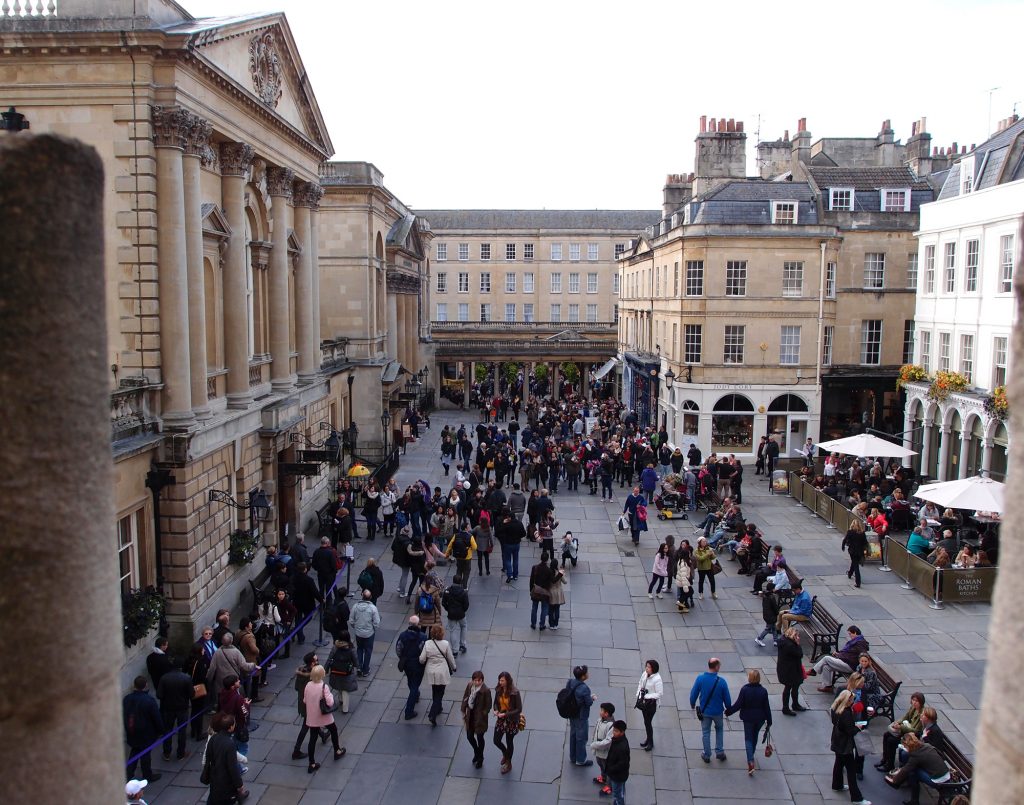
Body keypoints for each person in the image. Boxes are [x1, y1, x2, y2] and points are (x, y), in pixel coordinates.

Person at [725, 669, 772, 776]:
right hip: (760, 719)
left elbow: (738, 704)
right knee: (755, 736)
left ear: (750, 678)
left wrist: (729, 711)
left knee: (748, 738)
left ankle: (750, 761)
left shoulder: (745, 690)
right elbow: (767, 707)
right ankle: (751, 754)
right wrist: (769, 721)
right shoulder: (763, 691)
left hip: (748, 718)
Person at [885, 732, 950, 805]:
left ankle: (914, 801)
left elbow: (906, 769)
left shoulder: (916, 756)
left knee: (913, 772)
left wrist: (894, 780)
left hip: (938, 781)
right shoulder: (926, 745)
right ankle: (910, 790)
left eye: (905, 746)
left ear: (909, 746)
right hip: (946, 774)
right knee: (913, 768)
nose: (905, 748)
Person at [302, 664, 346, 772]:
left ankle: (311, 764)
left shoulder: (308, 685)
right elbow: (330, 702)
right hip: (323, 715)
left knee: (312, 739)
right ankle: (337, 751)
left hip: (312, 716)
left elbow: (305, 700)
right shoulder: (323, 687)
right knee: (333, 730)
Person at [831, 690, 871, 805]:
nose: (853, 702)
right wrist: (857, 727)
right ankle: (856, 798)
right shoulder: (846, 713)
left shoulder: (835, 708)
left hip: (837, 740)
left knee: (838, 764)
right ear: (847, 701)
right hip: (845, 745)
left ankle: (837, 785)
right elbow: (850, 731)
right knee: (851, 771)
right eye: (852, 700)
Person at [689, 657, 732, 763]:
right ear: (716, 667)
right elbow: (727, 700)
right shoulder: (722, 682)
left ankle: (707, 754)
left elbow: (693, 693)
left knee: (706, 732)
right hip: (718, 712)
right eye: (719, 665)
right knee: (719, 729)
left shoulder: (700, 679)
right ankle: (719, 751)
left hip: (705, 712)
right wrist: (728, 708)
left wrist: (692, 703)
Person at [123, 676, 164, 783]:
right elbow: (156, 717)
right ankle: (147, 775)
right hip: (146, 732)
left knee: (135, 750)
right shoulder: (149, 701)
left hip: (132, 730)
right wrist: (161, 730)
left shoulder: (127, 699)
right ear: (146, 685)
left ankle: (128, 773)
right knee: (145, 754)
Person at [202, 713, 248, 804]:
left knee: (213, 798)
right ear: (230, 728)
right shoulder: (229, 744)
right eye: (234, 724)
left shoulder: (213, 738)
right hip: (226, 782)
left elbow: (207, 758)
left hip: (214, 778)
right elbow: (233, 768)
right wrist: (239, 785)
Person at [876, 692, 926, 772]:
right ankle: (885, 759)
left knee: (891, 741)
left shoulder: (922, 714)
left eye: (917, 701)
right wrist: (897, 723)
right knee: (886, 735)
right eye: (913, 700)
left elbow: (917, 731)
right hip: (905, 731)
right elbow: (905, 717)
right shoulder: (913, 708)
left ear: (921, 702)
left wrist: (901, 727)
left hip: (911, 737)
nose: (914, 702)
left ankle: (890, 765)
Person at [810, 626, 870, 691]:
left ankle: (813, 671)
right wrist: (838, 654)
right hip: (845, 661)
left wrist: (862, 666)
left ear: (855, 633)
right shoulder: (856, 641)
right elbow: (849, 653)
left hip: (850, 665)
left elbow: (863, 654)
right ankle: (828, 686)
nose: (849, 636)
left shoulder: (860, 643)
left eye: (850, 634)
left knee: (826, 658)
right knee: (826, 667)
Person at [420, 624, 457, 727]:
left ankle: (438, 707)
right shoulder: (445, 644)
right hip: (442, 671)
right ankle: (432, 713)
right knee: (440, 692)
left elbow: (422, 659)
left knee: (435, 689)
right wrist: (454, 667)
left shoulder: (427, 643)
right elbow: (450, 658)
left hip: (431, 671)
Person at [156, 662, 193, 762]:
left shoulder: (164, 678)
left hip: (168, 708)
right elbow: (191, 694)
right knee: (182, 731)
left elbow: (159, 695)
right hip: (182, 708)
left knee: (167, 730)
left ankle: (167, 753)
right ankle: (180, 753)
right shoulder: (186, 678)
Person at [396, 616, 426, 720]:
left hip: (407, 664)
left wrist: (402, 658)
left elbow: (398, 649)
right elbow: (424, 651)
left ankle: (415, 694)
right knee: (415, 685)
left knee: (410, 680)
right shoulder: (422, 637)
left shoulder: (402, 635)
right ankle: (409, 711)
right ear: (418, 624)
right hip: (418, 664)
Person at [492, 671, 523, 774]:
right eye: (499, 680)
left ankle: (508, 763)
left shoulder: (515, 692)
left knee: (509, 741)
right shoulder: (499, 689)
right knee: (496, 740)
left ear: (507, 681)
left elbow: (519, 709)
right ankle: (505, 754)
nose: (500, 682)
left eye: (502, 681)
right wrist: (495, 710)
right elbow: (495, 703)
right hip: (501, 718)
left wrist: (506, 714)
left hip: (511, 720)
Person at [461, 670, 493, 769]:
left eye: (479, 680)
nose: (477, 682)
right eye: (475, 680)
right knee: (469, 736)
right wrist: (463, 710)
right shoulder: (470, 685)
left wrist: (483, 713)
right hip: (470, 715)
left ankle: (480, 758)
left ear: (482, 680)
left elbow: (489, 705)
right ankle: (477, 752)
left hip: (480, 719)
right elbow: (465, 697)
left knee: (480, 738)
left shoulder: (486, 690)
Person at [566, 664, 596, 766]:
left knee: (573, 735)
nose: (588, 674)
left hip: (571, 713)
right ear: (583, 676)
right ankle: (581, 759)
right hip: (581, 716)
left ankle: (573, 756)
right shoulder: (585, 689)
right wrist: (592, 698)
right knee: (581, 738)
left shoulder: (570, 682)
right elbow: (588, 703)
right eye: (586, 673)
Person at [347, 588, 381, 677]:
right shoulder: (373, 608)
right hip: (369, 634)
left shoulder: (355, 607)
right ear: (370, 597)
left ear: (362, 596)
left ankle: (359, 667)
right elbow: (376, 622)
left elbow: (351, 620)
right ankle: (365, 670)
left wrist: (356, 627)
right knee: (368, 651)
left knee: (359, 649)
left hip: (358, 633)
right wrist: (373, 629)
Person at [290, 651, 317, 760]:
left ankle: (323, 735)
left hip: (302, 703)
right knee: (306, 726)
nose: (317, 662)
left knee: (313, 722)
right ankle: (296, 750)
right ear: (312, 663)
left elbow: (296, 688)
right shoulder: (311, 677)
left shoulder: (301, 673)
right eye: (316, 660)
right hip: (309, 704)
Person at [776, 627, 806, 715]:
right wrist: (798, 644)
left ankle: (794, 704)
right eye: (797, 636)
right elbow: (799, 654)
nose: (798, 637)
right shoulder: (790, 645)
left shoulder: (783, 641)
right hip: (791, 671)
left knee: (793, 687)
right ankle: (786, 707)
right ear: (793, 636)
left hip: (786, 669)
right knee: (790, 687)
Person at [325, 633, 357, 714]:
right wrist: (357, 666)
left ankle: (340, 699)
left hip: (336, 671)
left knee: (339, 685)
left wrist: (326, 669)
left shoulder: (335, 647)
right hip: (347, 672)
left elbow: (329, 659)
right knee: (345, 689)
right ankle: (345, 709)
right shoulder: (351, 648)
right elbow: (355, 660)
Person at [635, 660, 663, 752]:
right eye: (646, 666)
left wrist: (646, 696)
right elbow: (640, 683)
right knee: (646, 722)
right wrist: (639, 694)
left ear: (653, 668)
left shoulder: (657, 679)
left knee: (648, 722)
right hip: (644, 703)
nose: (646, 668)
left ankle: (650, 742)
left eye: (649, 667)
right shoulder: (645, 674)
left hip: (651, 705)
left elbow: (659, 694)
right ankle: (648, 739)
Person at [590, 703, 616, 796]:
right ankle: (603, 777)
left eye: (601, 710)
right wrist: (593, 740)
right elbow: (595, 731)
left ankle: (609, 785)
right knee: (600, 763)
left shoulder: (611, 725)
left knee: (607, 768)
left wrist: (595, 744)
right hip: (599, 749)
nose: (599, 712)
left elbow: (608, 741)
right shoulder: (600, 720)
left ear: (606, 713)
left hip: (606, 752)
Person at [441, 573, 471, 654]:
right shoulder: (463, 592)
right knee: (463, 626)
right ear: (460, 582)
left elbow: (443, 603)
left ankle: (454, 650)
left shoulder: (447, 591)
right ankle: (462, 645)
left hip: (451, 614)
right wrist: (463, 610)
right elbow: (466, 604)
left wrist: (448, 609)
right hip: (461, 613)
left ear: (453, 581)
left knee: (452, 631)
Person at [496, 510, 526, 583]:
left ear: (509, 517)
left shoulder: (507, 524)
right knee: (515, 560)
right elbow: (524, 534)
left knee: (507, 560)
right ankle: (515, 575)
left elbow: (498, 531)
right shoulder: (519, 523)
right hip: (516, 544)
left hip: (508, 544)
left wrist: (503, 523)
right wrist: (518, 537)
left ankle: (510, 575)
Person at [529, 551, 555, 630]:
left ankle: (533, 624)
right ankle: (542, 624)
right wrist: (560, 574)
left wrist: (531, 590)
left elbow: (531, 580)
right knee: (544, 608)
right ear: (547, 559)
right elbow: (553, 581)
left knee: (534, 607)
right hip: (545, 592)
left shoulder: (535, 568)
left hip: (536, 591)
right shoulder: (548, 570)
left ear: (540, 558)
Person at [842, 520, 868, 588]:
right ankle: (850, 573)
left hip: (852, 551)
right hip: (860, 551)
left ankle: (858, 582)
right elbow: (865, 542)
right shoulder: (862, 533)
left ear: (852, 524)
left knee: (856, 566)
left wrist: (843, 546)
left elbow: (845, 539)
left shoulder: (850, 532)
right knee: (854, 563)